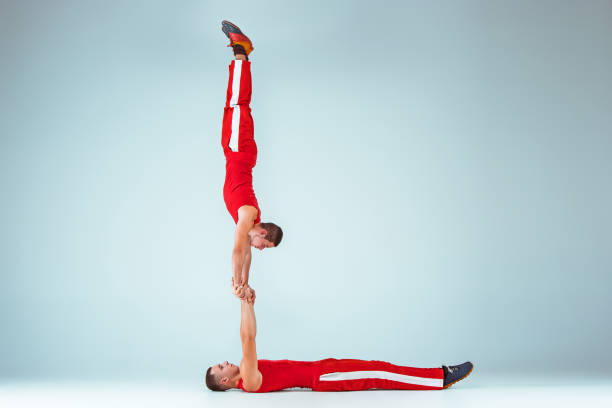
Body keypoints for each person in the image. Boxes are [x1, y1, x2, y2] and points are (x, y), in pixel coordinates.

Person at [205, 287, 474, 392]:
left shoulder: (246, 375)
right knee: (379, 372)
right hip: (321, 378)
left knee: (378, 368)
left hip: (322, 369)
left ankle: (435, 377)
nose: (225, 362)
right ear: (225, 381)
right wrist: (244, 302)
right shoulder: (249, 380)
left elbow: (248, 337)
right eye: (220, 367)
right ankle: (439, 378)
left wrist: (249, 302)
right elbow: (248, 338)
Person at [220, 20, 283, 295]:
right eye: (264, 245)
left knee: (237, 105)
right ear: (262, 233)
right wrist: (235, 283)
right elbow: (237, 252)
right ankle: (241, 53)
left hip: (240, 153)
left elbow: (245, 255)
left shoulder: (249, 224)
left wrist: (246, 283)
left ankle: (241, 54)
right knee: (236, 103)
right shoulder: (247, 215)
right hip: (239, 151)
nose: (260, 249)